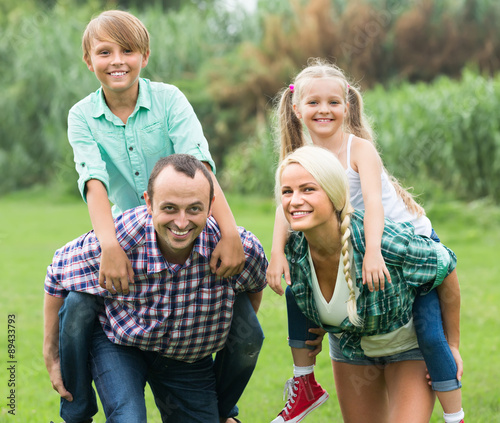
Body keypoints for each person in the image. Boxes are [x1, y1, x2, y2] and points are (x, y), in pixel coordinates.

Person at [61, 10, 258, 423]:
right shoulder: (81, 115)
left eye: (128, 50)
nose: (118, 60)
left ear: (144, 55)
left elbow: (201, 167)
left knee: (246, 328)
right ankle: (76, 409)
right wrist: (110, 245)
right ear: (88, 60)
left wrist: (230, 232)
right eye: (105, 52)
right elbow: (93, 181)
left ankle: (224, 409)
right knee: (77, 302)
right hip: (125, 235)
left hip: (186, 224)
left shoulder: (168, 100)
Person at [267, 60, 464, 423]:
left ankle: (455, 410)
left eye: (333, 102)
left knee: (426, 328)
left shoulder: (359, 150)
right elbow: (286, 206)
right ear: (296, 108)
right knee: (298, 289)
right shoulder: (302, 155)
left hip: (405, 247)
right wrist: (276, 252)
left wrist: (374, 252)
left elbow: (373, 203)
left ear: (347, 106)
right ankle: (304, 380)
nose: (324, 110)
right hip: (355, 244)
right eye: (313, 103)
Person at [44, 154, 268, 423]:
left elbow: (254, 285)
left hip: (186, 357)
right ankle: (77, 416)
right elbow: (58, 272)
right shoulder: (123, 236)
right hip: (121, 344)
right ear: (149, 203)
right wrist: (51, 351)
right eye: (170, 208)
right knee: (129, 418)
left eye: (194, 209)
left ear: (211, 206)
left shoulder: (236, 247)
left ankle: (221, 413)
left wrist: (221, 329)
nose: (182, 222)